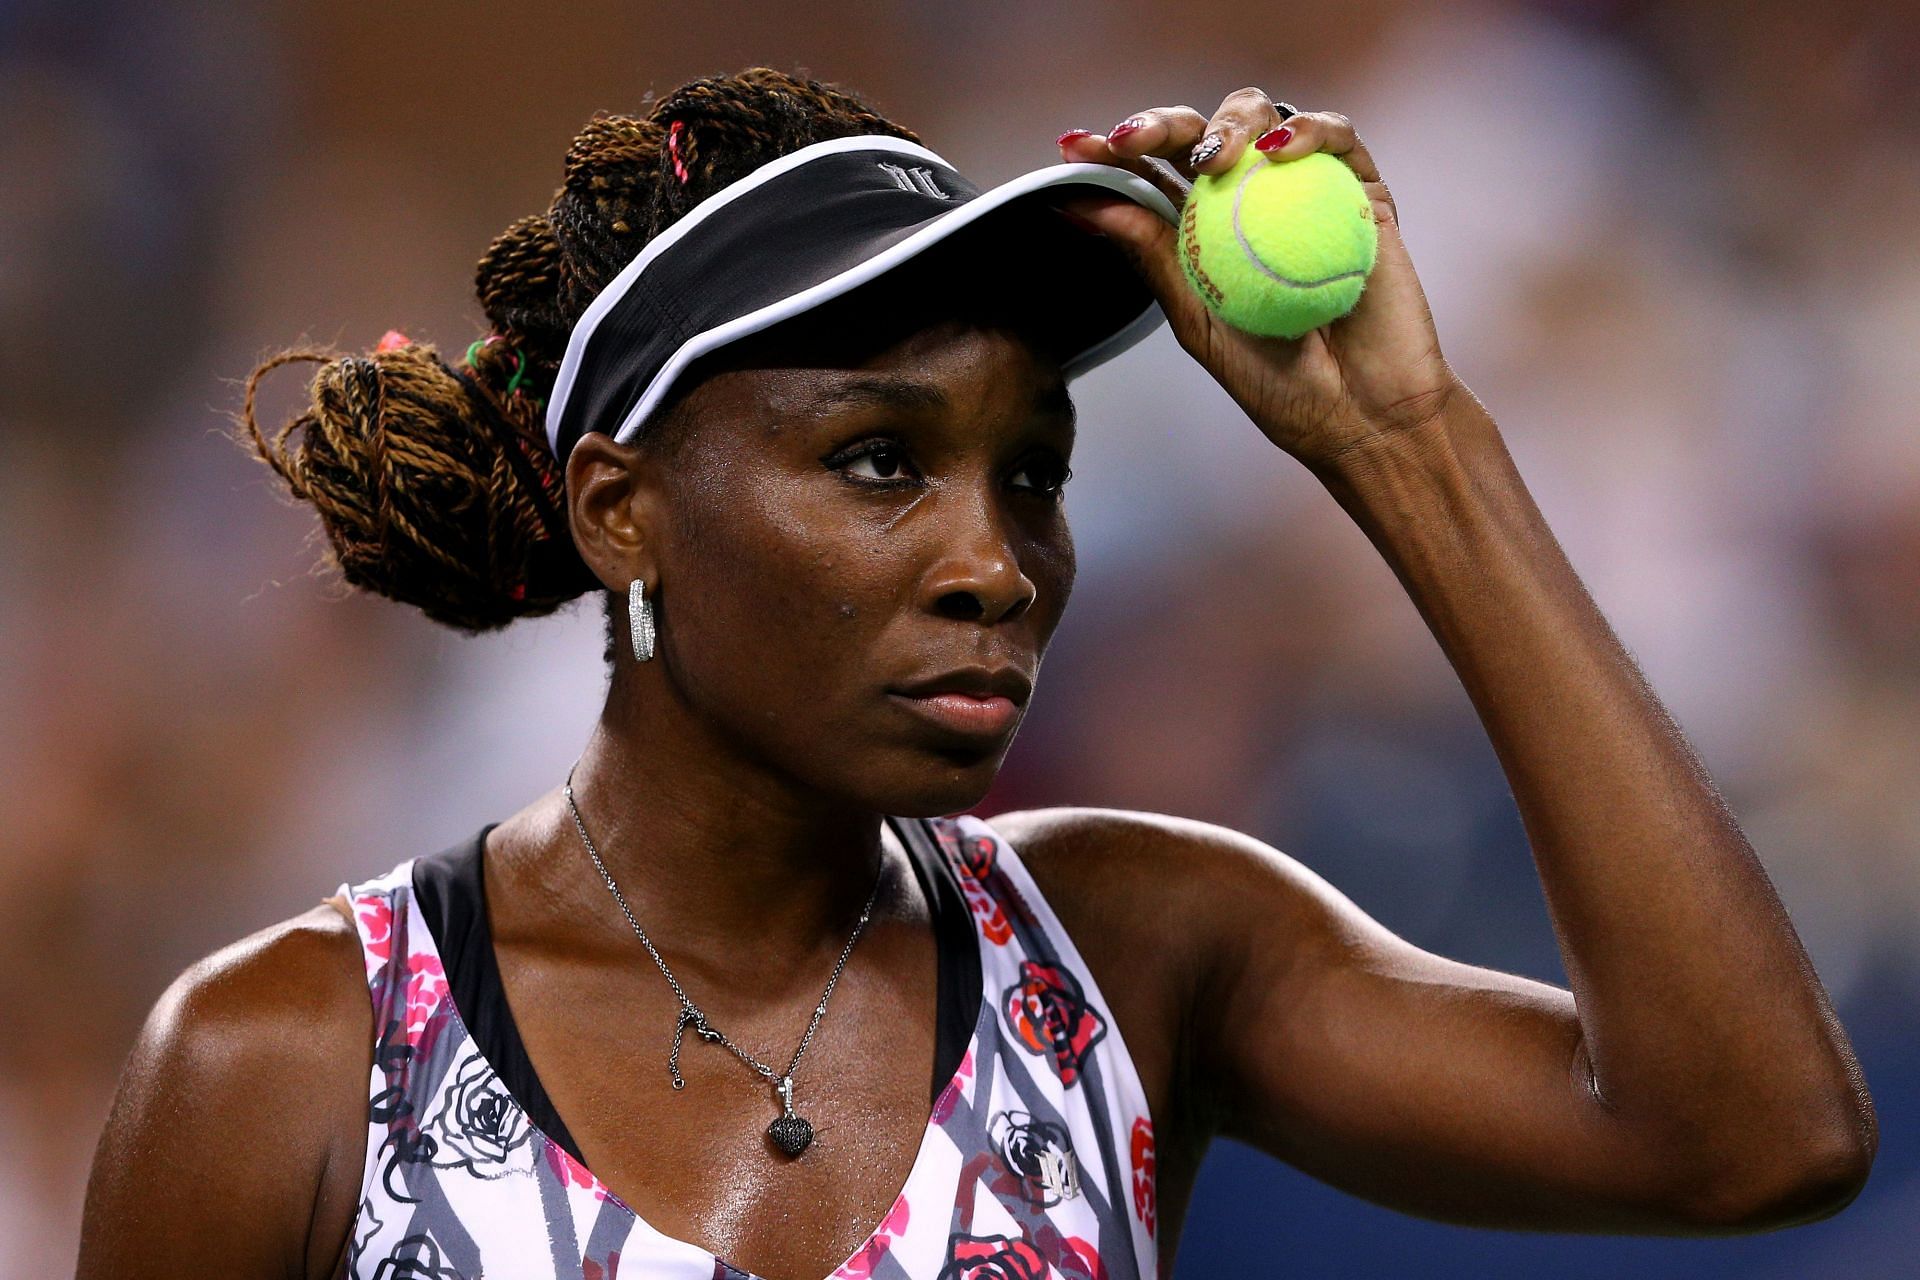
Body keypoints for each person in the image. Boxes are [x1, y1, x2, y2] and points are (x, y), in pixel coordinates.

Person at [75, 66, 1875, 1280]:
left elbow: (1753, 1131)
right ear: (624, 513)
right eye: (880, 463)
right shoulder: (283, 1065)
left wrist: (1408, 443)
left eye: (1035, 472)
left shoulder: (1138, 942)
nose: (993, 563)